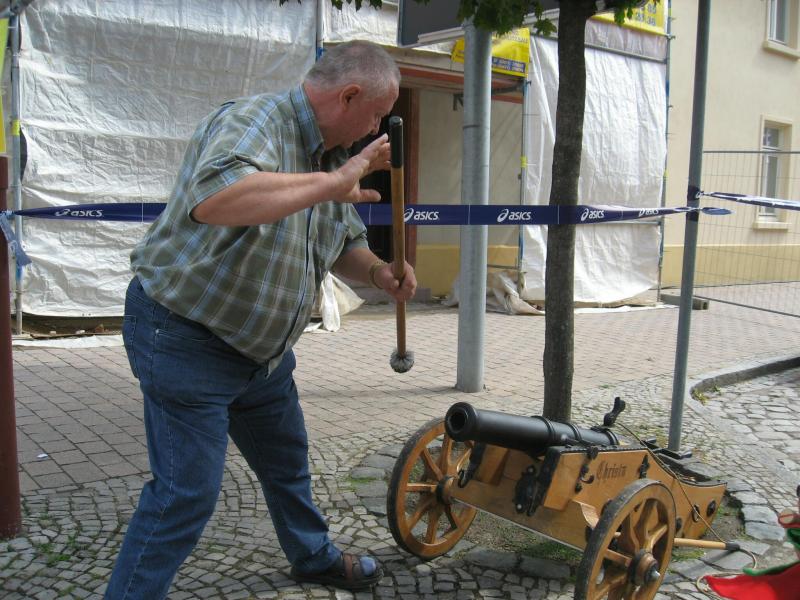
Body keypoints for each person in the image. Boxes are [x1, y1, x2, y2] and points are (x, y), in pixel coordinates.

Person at [105, 40, 416, 600]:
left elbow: (343, 242)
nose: (375, 130)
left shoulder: (330, 157)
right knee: (185, 495)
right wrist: (334, 182)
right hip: (186, 336)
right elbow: (219, 198)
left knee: (286, 463)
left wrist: (378, 273)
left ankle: (312, 556)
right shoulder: (257, 122)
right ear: (348, 96)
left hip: (263, 356)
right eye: (375, 115)